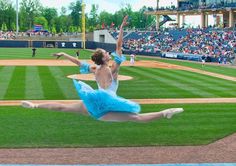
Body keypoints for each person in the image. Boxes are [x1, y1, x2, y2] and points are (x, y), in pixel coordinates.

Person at [22, 16, 183, 122]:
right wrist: (121, 28)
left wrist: (64, 53)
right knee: (137, 117)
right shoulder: (113, 69)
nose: (109, 53)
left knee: (64, 107)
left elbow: (78, 63)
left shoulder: (95, 69)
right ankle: (165, 112)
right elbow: (119, 45)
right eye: (107, 53)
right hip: (107, 105)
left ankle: (35, 105)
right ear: (104, 58)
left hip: (93, 104)